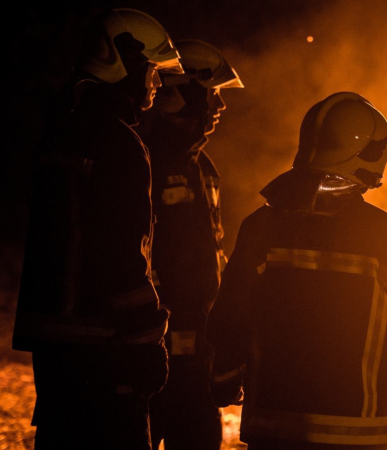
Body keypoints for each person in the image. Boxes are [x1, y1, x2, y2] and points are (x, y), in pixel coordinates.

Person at [207, 92, 387, 450]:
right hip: (355, 438)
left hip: (271, 433)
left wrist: (223, 380)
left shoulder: (260, 227)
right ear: (366, 156)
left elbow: (230, 319)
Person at [12, 8, 183, 450]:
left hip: (52, 344)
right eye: (152, 70)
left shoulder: (60, 130)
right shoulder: (120, 144)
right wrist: (147, 340)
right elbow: (122, 257)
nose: (156, 83)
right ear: (124, 61)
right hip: (104, 345)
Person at [139, 39, 243, 450]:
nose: (219, 108)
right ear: (177, 94)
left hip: (197, 353)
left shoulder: (203, 168)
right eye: (211, 95)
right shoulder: (142, 161)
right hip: (152, 352)